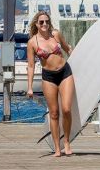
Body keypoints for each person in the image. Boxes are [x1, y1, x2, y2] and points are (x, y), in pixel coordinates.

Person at [26, 11, 74, 157]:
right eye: (41, 22)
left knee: (66, 109)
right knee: (54, 113)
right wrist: (29, 87)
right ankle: (57, 148)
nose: (45, 24)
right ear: (36, 24)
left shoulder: (56, 35)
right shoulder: (32, 42)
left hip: (65, 73)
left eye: (47, 21)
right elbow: (31, 66)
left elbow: (68, 49)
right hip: (49, 77)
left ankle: (66, 142)